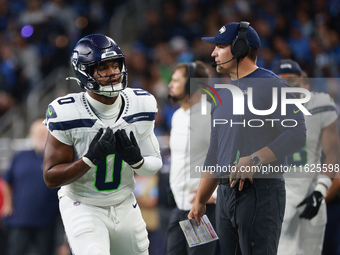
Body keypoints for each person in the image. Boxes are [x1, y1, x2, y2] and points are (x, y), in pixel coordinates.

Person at [188, 21, 306, 254]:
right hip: (224, 195)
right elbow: (214, 153)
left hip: (260, 193)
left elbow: (297, 132)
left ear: (240, 48)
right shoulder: (222, 96)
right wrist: (201, 199)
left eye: (220, 46)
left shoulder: (271, 84)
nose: (213, 53)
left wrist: (255, 159)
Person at [43, 34, 163, 255]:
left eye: (115, 65)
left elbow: (155, 163)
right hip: (83, 204)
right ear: (84, 72)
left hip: (125, 202)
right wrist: (89, 160)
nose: (113, 73)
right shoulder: (66, 111)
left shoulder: (141, 104)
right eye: (103, 68)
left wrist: (136, 160)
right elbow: (51, 177)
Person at [272, 59, 340, 255]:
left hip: (312, 194)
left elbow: (333, 154)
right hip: (278, 198)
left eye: (292, 80)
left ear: (306, 84)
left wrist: (320, 190)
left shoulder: (320, 106)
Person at [166, 61, 217, 255]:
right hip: (178, 207)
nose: (170, 84)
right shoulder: (177, 116)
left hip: (200, 211)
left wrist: (217, 193)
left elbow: (232, 157)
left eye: (176, 80)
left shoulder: (210, 116)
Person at [1, 118, 60, 255]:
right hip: (19, 219)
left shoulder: (56, 157)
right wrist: (8, 205)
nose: (41, 136)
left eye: (44, 133)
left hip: (47, 220)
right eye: (37, 133)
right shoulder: (20, 156)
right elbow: (6, 181)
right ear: (31, 134)